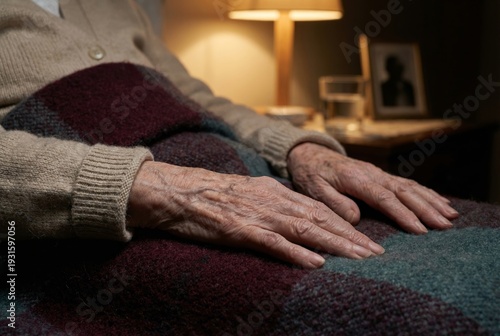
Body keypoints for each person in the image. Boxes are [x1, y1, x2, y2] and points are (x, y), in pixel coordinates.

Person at [0, 0, 459, 269]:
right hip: (102, 227)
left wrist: (301, 149)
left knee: (450, 243)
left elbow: (202, 100)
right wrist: (165, 193)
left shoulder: (118, 6)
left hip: (231, 168)